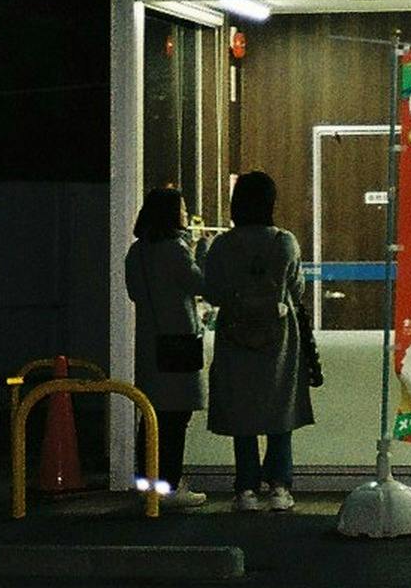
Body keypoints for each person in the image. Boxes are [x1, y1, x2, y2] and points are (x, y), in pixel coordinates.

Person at [205, 169, 317, 512]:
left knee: (243, 413)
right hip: (279, 338)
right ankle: (280, 487)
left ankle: (246, 490)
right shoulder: (284, 242)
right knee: (279, 409)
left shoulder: (223, 245)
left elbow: (213, 292)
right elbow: (296, 289)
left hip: (234, 336)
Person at [123, 185, 209, 509]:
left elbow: (134, 293)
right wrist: (202, 250)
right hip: (178, 342)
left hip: (150, 342)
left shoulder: (137, 252)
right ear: (172, 214)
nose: (186, 214)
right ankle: (169, 487)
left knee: (152, 417)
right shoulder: (175, 249)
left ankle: (147, 485)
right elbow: (199, 283)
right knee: (175, 418)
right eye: (182, 209)